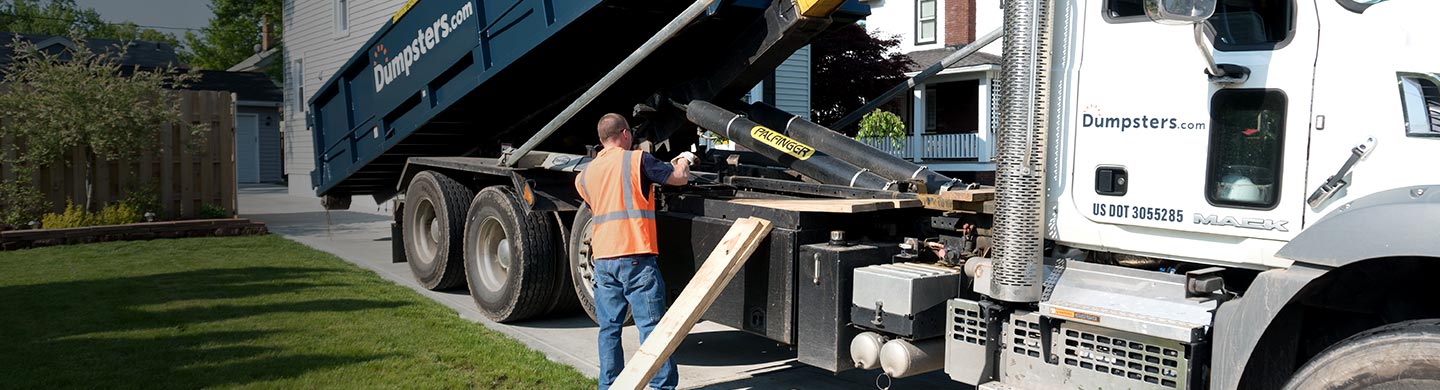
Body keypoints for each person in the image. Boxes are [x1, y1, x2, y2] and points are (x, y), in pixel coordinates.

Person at [575, 113, 696, 390]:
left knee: (609, 329)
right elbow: (678, 178)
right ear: (626, 134)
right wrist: (683, 160)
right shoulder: (636, 160)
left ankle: (609, 386)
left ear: (601, 140)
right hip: (636, 257)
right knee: (651, 328)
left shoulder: (584, 176)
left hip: (603, 259)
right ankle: (661, 387)